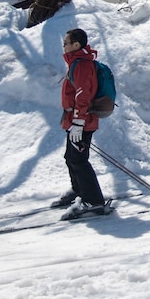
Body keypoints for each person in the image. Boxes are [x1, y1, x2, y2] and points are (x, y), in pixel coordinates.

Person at [54, 28, 109, 218]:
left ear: (76, 45)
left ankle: (93, 201)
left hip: (82, 121)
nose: (64, 46)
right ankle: (79, 190)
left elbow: (83, 95)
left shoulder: (83, 65)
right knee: (70, 157)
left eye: (66, 43)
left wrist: (78, 122)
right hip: (76, 120)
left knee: (79, 160)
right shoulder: (76, 63)